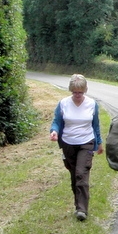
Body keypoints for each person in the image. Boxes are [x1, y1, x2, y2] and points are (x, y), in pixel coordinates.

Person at [49, 74, 104, 222]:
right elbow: (56, 122)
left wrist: (99, 143)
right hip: (68, 143)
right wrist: (54, 131)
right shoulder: (63, 104)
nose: (77, 95)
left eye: (80, 92)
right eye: (74, 92)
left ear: (85, 90)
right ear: (71, 91)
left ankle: (82, 209)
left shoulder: (92, 104)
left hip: (86, 141)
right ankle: (78, 204)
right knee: (74, 176)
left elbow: (95, 125)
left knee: (81, 174)